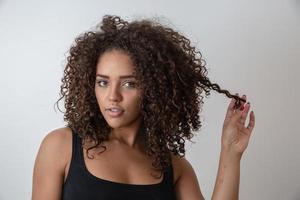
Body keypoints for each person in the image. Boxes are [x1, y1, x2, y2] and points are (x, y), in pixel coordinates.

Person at [32, 15, 255, 200]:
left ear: (154, 88)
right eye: (103, 82)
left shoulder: (175, 168)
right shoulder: (61, 147)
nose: (113, 96)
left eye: (129, 83)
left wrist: (230, 153)